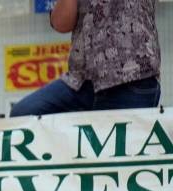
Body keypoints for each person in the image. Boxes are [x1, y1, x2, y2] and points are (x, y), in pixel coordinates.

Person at [10, 0, 161, 116]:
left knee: (113, 151)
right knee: (23, 114)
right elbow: (61, 24)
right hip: (80, 81)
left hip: (130, 77)